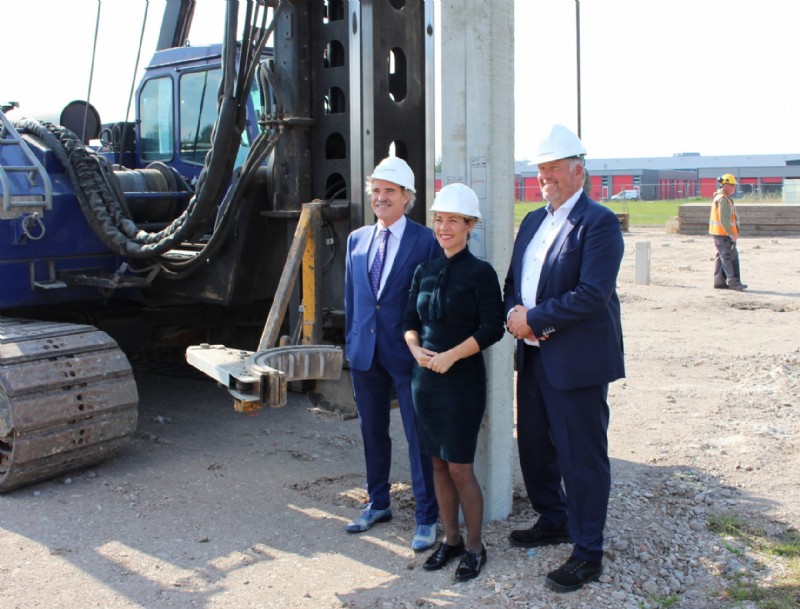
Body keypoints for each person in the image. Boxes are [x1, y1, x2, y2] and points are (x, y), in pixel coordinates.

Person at [503, 125, 625, 593]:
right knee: (535, 449)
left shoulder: (598, 223)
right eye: (541, 170)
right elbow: (515, 279)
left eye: (554, 169)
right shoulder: (534, 220)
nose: (545, 178)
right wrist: (513, 310)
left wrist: (535, 319)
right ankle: (553, 518)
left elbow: (592, 294)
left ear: (578, 170)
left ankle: (588, 551)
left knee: (582, 458)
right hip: (534, 360)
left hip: (575, 364)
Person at [402, 183, 504, 582]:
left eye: (453, 221)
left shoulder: (481, 273)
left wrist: (451, 356)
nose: (444, 228)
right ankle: (451, 539)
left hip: (461, 382)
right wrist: (416, 350)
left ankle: (476, 547)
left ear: (469, 226)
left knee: (461, 468)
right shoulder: (424, 270)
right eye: (439, 220)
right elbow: (409, 321)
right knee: (437, 465)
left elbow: (492, 328)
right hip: (424, 381)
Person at [344, 156, 440, 552]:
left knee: (418, 437)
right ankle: (378, 503)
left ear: (407, 198)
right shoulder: (357, 239)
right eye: (376, 191)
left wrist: (428, 349)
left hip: (408, 355)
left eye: (389, 192)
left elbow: (432, 300)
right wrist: (351, 343)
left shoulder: (425, 241)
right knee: (371, 432)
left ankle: (426, 516)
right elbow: (352, 299)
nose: (380, 199)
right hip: (365, 353)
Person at [709, 174, 747, 290]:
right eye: (732, 185)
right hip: (724, 234)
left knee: (722, 257)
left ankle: (719, 281)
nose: (734, 188)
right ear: (726, 185)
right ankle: (733, 282)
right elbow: (724, 218)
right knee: (730, 257)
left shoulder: (721, 198)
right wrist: (731, 233)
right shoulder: (723, 199)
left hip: (719, 234)